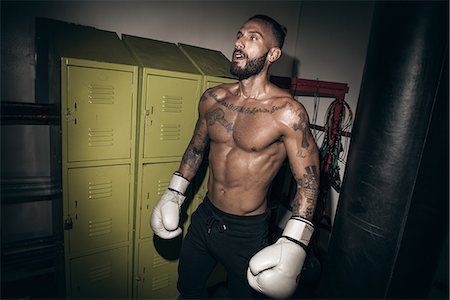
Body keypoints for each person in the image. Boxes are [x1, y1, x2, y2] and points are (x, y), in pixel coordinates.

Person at [151, 14, 320, 299]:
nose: (240, 43)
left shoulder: (288, 112)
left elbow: (309, 181)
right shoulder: (212, 99)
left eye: (253, 38)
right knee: (188, 290)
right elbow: (196, 149)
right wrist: (174, 194)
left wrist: (295, 240)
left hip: (246, 232)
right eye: (240, 35)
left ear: (273, 54)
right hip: (204, 218)